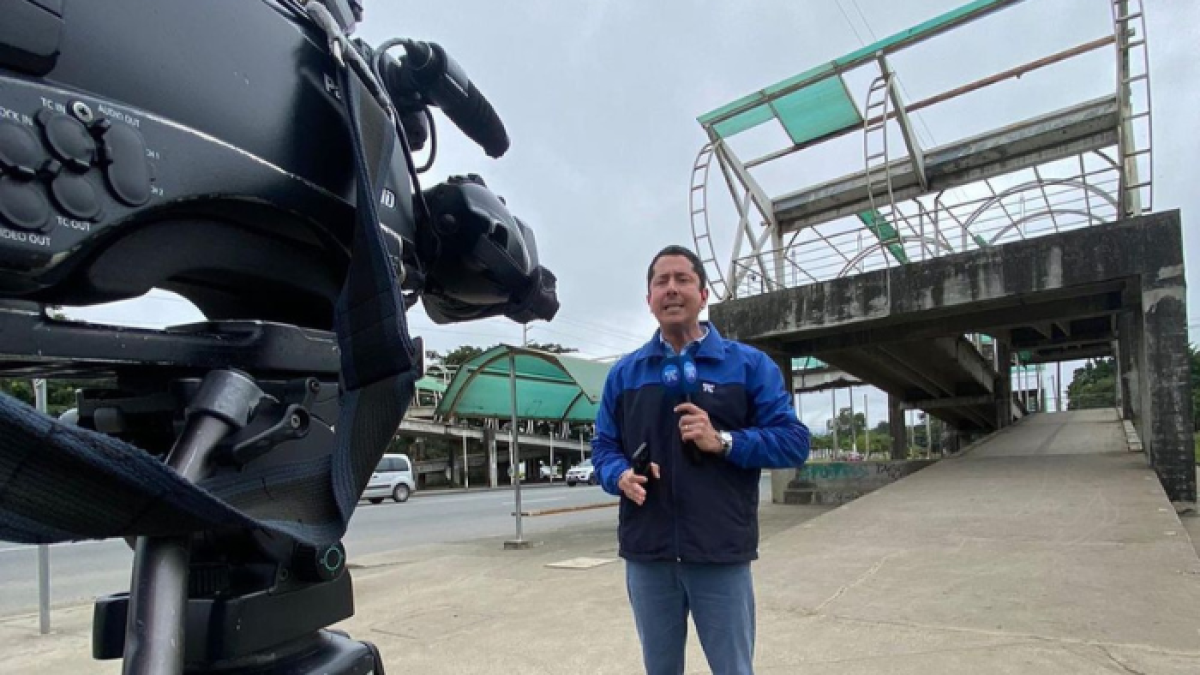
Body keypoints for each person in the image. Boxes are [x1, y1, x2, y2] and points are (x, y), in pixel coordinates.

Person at [592, 245, 810, 675]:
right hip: (648, 555)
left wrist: (724, 440)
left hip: (719, 554)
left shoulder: (748, 366)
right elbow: (602, 449)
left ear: (704, 294)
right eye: (661, 282)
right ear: (649, 299)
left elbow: (793, 442)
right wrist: (619, 475)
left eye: (682, 279)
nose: (671, 289)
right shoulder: (625, 373)